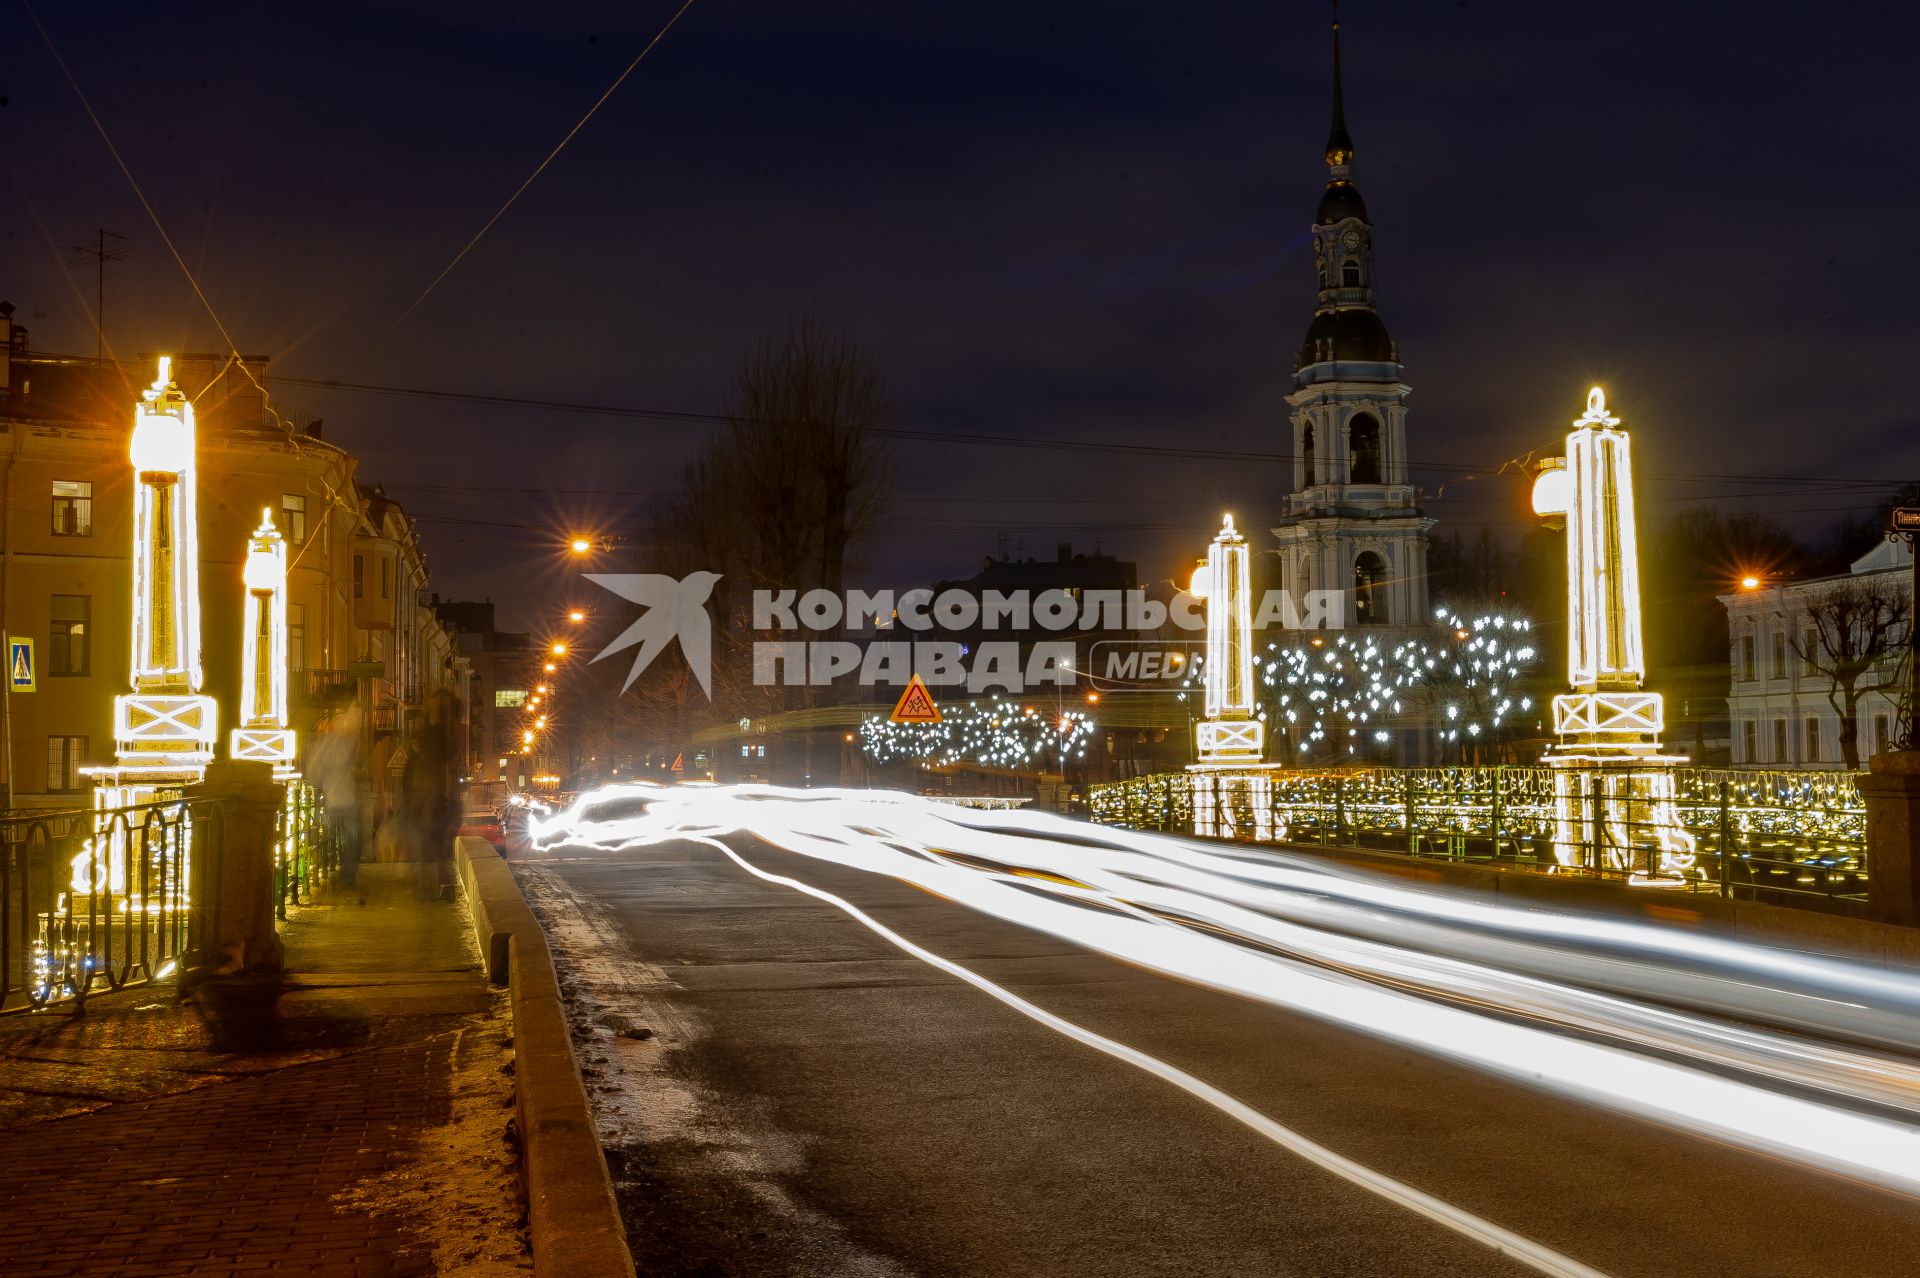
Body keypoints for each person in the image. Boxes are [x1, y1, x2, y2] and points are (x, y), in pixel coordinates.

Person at [402, 694, 457, 900]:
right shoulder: (432, 732)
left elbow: (438, 766)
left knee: (431, 843)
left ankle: (434, 887)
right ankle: (431, 886)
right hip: (423, 797)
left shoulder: (438, 734)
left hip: (429, 797)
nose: (428, 709)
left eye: (433, 707)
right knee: (428, 843)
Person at [308, 704, 365, 889]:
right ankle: (346, 877)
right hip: (344, 799)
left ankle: (333, 871)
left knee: (335, 838)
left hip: (335, 798)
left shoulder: (330, 743)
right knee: (352, 839)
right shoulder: (343, 743)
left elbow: (313, 769)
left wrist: (320, 784)